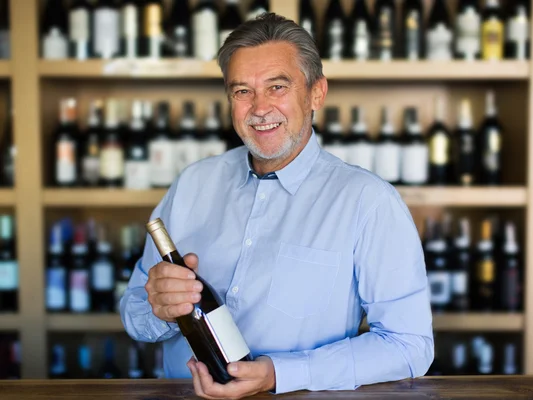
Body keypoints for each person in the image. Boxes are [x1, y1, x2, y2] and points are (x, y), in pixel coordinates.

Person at [120, 13, 433, 399]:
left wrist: (278, 374)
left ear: (316, 93)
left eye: (277, 87)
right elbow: (133, 310)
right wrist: (159, 309)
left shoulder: (369, 202)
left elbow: (409, 345)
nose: (259, 108)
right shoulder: (192, 184)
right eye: (242, 91)